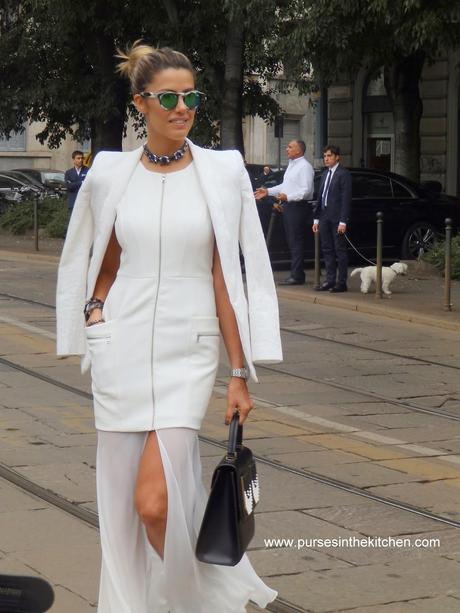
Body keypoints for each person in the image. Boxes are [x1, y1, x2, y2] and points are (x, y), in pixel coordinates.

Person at [55, 42, 282, 613]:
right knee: (123, 512)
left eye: (192, 98)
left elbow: (225, 276)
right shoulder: (110, 174)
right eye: (170, 98)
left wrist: (238, 372)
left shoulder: (222, 172)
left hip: (190, 350)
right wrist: (94, 311)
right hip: (121, 347)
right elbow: (101, 264)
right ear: (142, 104)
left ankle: (197, 602)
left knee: (156, 503)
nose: (183, 108)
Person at [255, 140, 314, 285]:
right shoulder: (292, 166)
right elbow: (285, 186)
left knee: (296, 241)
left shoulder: (305, 167)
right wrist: (268, 191)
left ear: (299, 150)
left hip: (297, 207)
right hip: (289, 206)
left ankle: (297, 275)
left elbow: (306, 191)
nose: (286, 149)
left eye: (290, 147)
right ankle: (296, 272)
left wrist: (289, 197)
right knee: (291, 241)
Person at [312, 145, 352, 292]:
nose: (326, 159)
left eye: (329, 156)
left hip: (336, 217)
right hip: (324, 215)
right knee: (327, 249)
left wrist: (343, 221)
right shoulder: (325, 174)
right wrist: (316, 219)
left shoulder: (343, 174)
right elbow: (320, 196)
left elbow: (345, 199)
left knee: (339, 249)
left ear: (337, 157)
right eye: (325, 156)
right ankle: (330, 280)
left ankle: (341, 282)